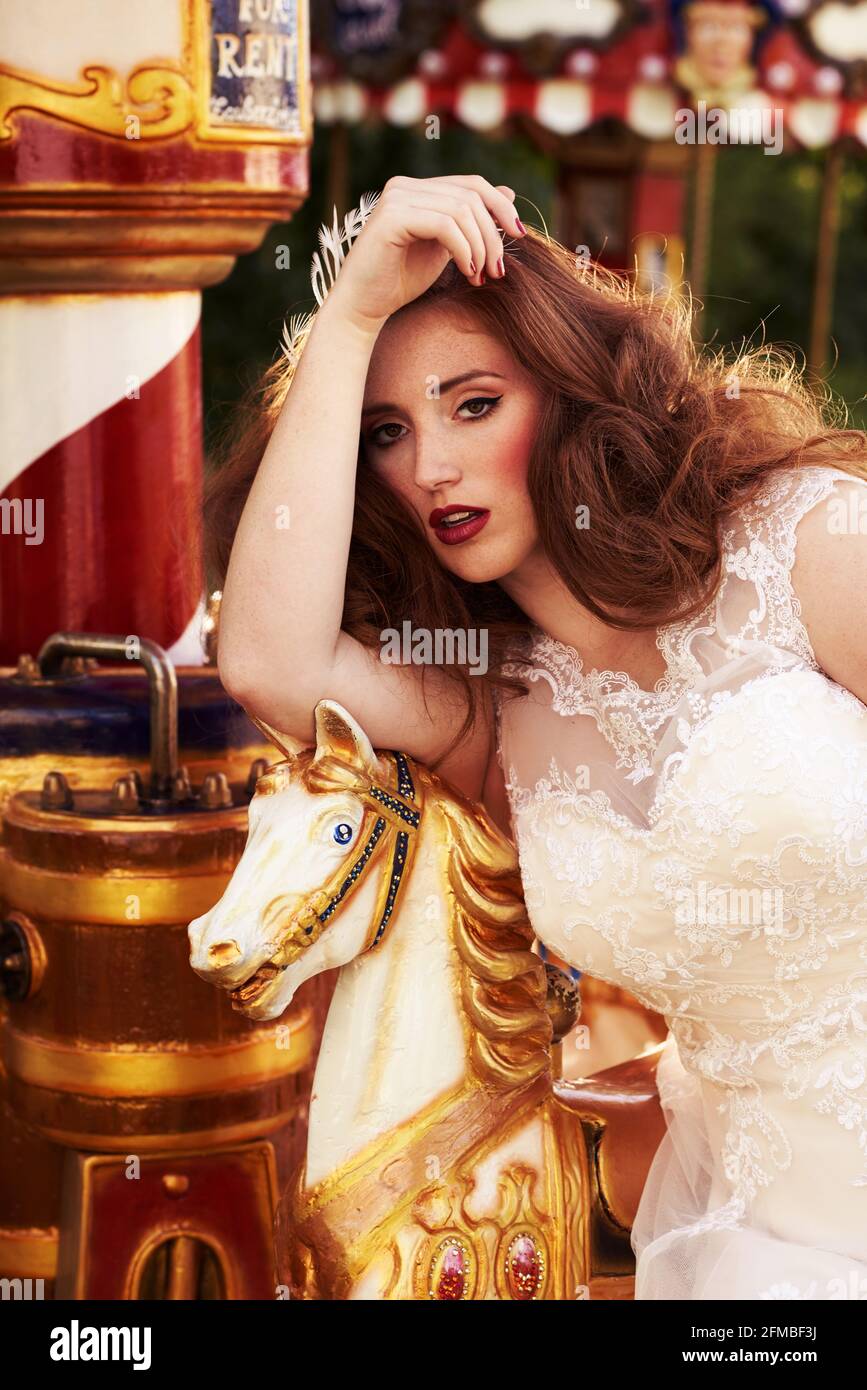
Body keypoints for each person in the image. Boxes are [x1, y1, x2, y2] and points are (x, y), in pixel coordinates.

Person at [205, 174, 867, 1299]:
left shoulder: (802, 543)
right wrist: (350, 314)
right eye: (387, 433)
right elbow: (273, 661)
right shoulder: (492, 701)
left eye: (475, 405)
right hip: (743, 1233)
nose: (432, 468)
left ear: (567, 393)